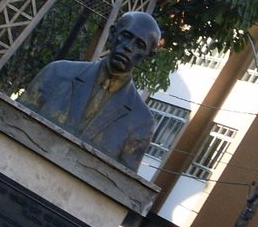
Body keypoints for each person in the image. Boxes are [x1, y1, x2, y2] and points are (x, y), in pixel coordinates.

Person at [18, 11, 161, 171]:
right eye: (126, 36)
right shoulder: (57, 73)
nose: (128, 47)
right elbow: (13, 122)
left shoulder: (141, 121)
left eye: (139, 45)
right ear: (112, 34)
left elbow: (118, 183)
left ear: (148, 55)